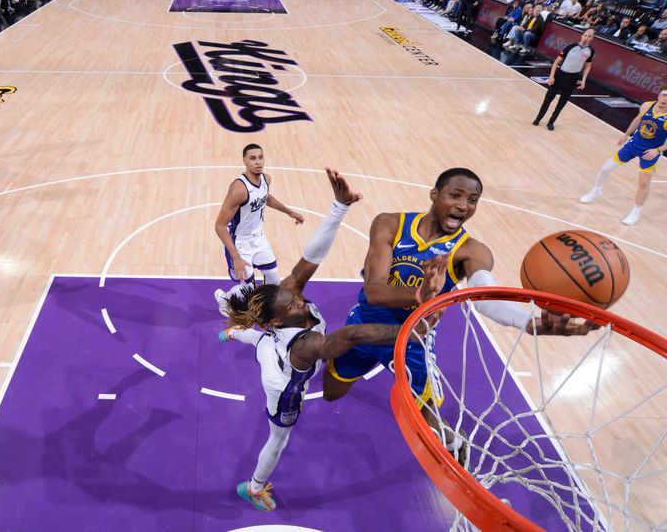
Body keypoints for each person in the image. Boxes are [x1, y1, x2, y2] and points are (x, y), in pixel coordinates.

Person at [322, 168, 598, 458]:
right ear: (435, 194)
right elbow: (374, 291)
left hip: (412, 340)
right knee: (331, 392)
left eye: (473, 200)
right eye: (455, 195)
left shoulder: (471, 251)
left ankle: (454, 443)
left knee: (427, 422)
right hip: (364, 325)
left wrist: (531, 322)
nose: (464, 205)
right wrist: (420, 295)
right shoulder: (390, 224)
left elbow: (486, 300)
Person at [219, 169, 420, 512]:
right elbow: (350, 336)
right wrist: (409, 332)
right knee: (279, 439)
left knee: (261, 342)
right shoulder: (306, 346)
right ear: (279, 319)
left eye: (294, 297)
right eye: (293, 303)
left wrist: (339, 207)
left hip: (270, 340)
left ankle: (237, 331)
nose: (299, 299)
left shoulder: (284, 298)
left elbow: (314, 255)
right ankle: (253, 488)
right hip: (283, 383)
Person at [213, 144, 304, 316]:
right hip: (240, 242)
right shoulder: (238, 189)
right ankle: (225, 300)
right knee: (248, 289)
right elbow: (219, 226)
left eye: (260, 157)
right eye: (253, 158)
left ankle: (265, 308)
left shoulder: (266, 179)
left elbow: (265, 198)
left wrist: (289, 212)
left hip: (259, 239)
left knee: (274, 281)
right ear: (245, 161)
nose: (258, 162)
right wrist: (236, 257)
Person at [580, 88, 667, 225]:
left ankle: (636, 212)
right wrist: (626, 135)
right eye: (664, 95)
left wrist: (657, 150)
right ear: (659, 95)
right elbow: (637, 120)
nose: (665, 98)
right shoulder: (646, 106)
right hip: (633, 145)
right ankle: (596, 190)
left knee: (643, 183)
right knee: (605, 168)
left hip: (650, 152)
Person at [533, 28, 595, 130]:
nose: (586, 38)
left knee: (561, 104)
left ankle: (551, 122)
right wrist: (551, 76)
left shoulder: (590, 51)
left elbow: (588, 66)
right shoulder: (571, 47)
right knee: (547, 100)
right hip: (560, 76)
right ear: (582, 35)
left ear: (592, 38)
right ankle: (538, 118)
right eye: (585, 35)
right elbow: (556, 62)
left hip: (572, 79)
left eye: (589, 36)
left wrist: (583, 79)